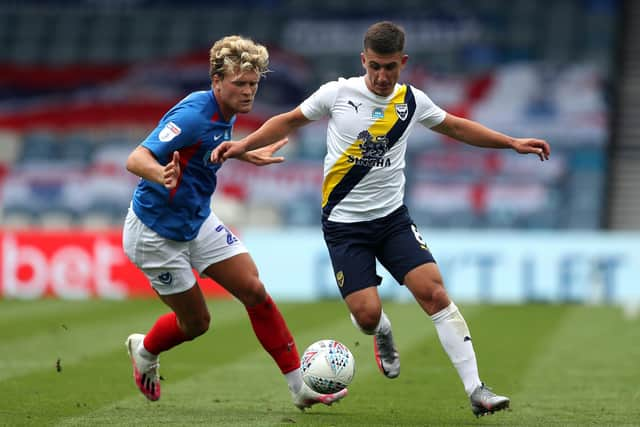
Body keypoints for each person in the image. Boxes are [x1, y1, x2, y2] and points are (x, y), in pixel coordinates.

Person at [211, 21, 551, 417]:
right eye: (374, 66)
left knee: (435, 294)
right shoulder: (337, 94)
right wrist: (243, 145)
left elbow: (456, 127)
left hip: (392, 220)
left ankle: (477, 389)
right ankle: (383, 332)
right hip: (343, 226)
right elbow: (287, 120)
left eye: (390, 67)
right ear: (363, 61)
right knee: (367, 315)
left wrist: (511, 142)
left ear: (403, 63)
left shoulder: (412, 102)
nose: (381, 76)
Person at [121, 35, 348, 410]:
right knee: (196, 323)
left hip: (196, 220)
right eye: (239, 84)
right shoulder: (193, 113)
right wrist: (161, 174)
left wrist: (245, 153)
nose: (247, 92)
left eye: (253, 84)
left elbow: (205, 150)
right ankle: (144, 349)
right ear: (216, 82)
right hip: (155, 234)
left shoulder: (225, 115)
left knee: (254, 290)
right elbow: (136, 157)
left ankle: (299, 386)